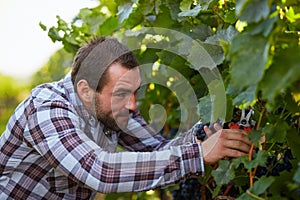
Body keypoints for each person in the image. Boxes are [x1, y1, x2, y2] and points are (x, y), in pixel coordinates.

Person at [0, 36, 252, 199]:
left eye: (135, 92)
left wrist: (202, 135)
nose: (133, 105)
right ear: (85, 90)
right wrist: (197, 155)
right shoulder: (46, 109)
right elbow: (100, 171)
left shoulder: (114, 108)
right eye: (122, 93)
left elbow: (158, 149)